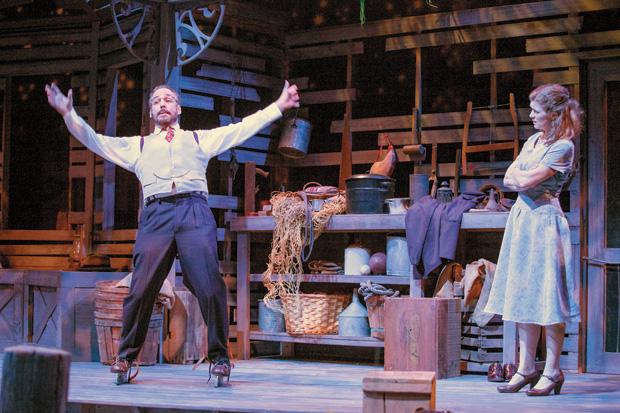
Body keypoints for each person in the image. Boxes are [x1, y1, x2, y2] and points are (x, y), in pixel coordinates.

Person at [46, 80, 300, 384]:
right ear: (152, 111)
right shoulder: (137, 146)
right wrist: (68, 114)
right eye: (156, 101)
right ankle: (126, 357)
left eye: (168, 99)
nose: (162, 104)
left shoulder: (196, 139)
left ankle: (219, 358)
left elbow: (240, 129)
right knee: (141, 288)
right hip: (156, 214)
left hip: (193, 211)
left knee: (209, 284)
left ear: (178, 109)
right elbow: (95, 139)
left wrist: (278, 106)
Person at [485, 83, 583, 396]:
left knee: (547, 297)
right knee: (525, 293)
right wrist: (520, 180)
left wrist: (522, 180)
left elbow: (526, 179)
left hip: (545, 223)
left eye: (536, 111)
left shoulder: (563, 146)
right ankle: (526, 368)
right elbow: (510, 178)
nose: (531, 116)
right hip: (523, 222)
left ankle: (552, 370)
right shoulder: (532, 141)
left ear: (554, 115)